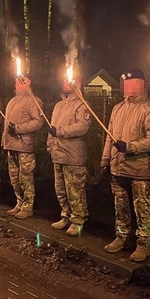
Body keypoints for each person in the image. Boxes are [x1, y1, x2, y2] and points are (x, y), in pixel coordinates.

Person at [101, 68, 150, 262]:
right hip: (117, 167)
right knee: (121, 206)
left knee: (142, 208)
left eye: (132, 83)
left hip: (139, 168)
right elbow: (109, 138)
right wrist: (105, 160)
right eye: (126, 84)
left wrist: (130, 147)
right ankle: (121, 237)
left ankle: (144, 244)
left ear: (141, 84)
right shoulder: (117, 108)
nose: (128, 88)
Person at [47, 78, 92, 235]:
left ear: (77, 84)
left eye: (68, 81)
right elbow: (52, 126)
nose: (64, 83)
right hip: (58, 153)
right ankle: (66, 215)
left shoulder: (81, 104)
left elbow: (83, 127)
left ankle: (78, 219)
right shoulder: (59, 105)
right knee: (61, 189)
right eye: (63, 80)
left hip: (73, 154)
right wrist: (50, 144)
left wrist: (61, 131)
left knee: (75, 190)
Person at [3, 76, 44, 219]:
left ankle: (27, 207)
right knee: (14, 178)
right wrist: (5, 140)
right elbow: (6, 125)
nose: (15, 84)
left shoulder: (33, 100)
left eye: (19, 82)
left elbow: (38, 122)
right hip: (11, 145)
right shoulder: (12, 101)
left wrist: (19, 128)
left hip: (24, 145)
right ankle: (19, 203)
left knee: (25, 178)